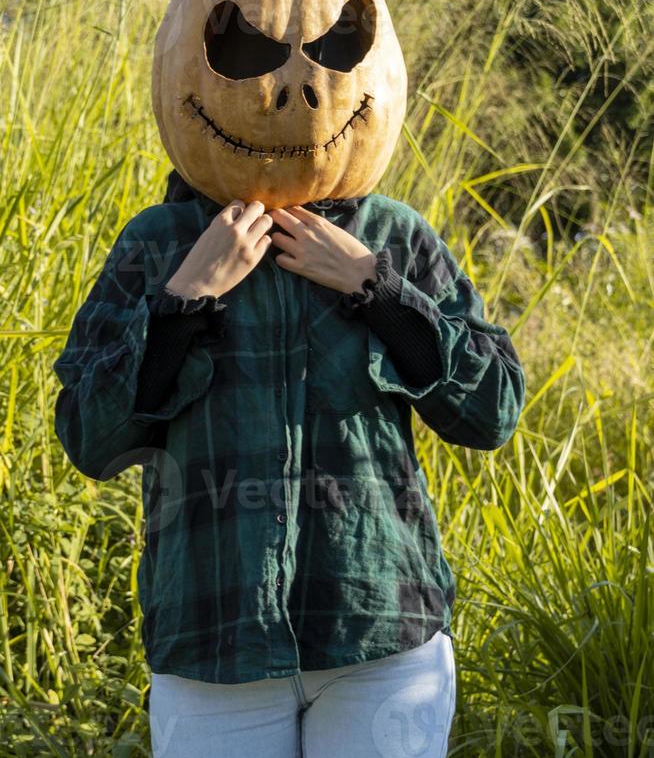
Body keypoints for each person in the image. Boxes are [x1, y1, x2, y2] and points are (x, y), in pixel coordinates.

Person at [52, 166, 526, 757]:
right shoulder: (157, 240)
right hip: (215, 644)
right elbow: (89, 438)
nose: (283, 89)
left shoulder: (394, 232)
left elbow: (493, 412)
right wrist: (183, 302)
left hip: (380, 631)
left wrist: (375, 288)